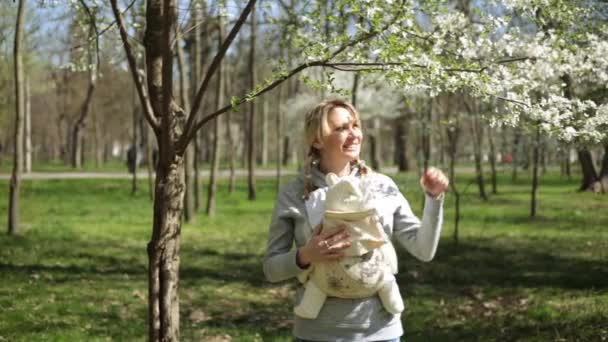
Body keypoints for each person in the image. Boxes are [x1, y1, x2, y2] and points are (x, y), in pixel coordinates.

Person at [263, 99, 449, 342]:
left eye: (355, 126)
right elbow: (271, 269)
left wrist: (434, 199)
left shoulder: (383, 186)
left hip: (382, 333)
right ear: (317, 140)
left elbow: (424, 250)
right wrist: (306, 255)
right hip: (317, 334)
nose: (353, 135)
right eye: (341, 128)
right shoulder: (293, 194)